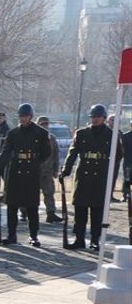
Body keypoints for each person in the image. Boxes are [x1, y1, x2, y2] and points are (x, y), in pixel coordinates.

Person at [62, 104, 125, 250]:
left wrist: (110, 170)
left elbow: (118, 154)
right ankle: (79, 238)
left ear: (103, 118)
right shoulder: (82, 133)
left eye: (98, 117)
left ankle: (95, 239)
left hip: (100, 173)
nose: (95, 119)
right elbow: (73, 153)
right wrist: (66, 170)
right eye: (93, 117)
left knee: (97, 210)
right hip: (83, 172)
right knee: (80, 208)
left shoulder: (112, 134)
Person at [0, 103, 52, 246]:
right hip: (16, 170)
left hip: (32, 170)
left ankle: (33, 235)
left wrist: (35, 162)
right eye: (21, 116)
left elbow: (46, 152)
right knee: (12, 204)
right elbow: (6, 152)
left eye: (25, 116)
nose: (23, 119)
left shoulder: (41, 133)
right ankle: (11, 234)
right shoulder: (13, 133)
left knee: (32, 205)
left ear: (30, 117)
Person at [37, 117, 62, 223]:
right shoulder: (33, 136)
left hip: (47, 170)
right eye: (42, 124)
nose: (45, 126)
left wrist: (56, 169)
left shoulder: (51, 138)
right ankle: (24, 212)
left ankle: (50, 213)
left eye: (46, 124)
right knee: (30, 193)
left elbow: (56, 154)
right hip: (34, 170)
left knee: (49, 192)